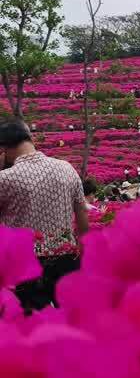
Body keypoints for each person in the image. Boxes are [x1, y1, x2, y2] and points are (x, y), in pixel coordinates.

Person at [0, 119, 87, 311]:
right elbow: (82, 217)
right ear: (29, 139)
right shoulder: (66, 168)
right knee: (71, 318)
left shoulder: (5, 179)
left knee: (33, 326)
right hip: (68, 260)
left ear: (4, 148)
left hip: (27, 266)